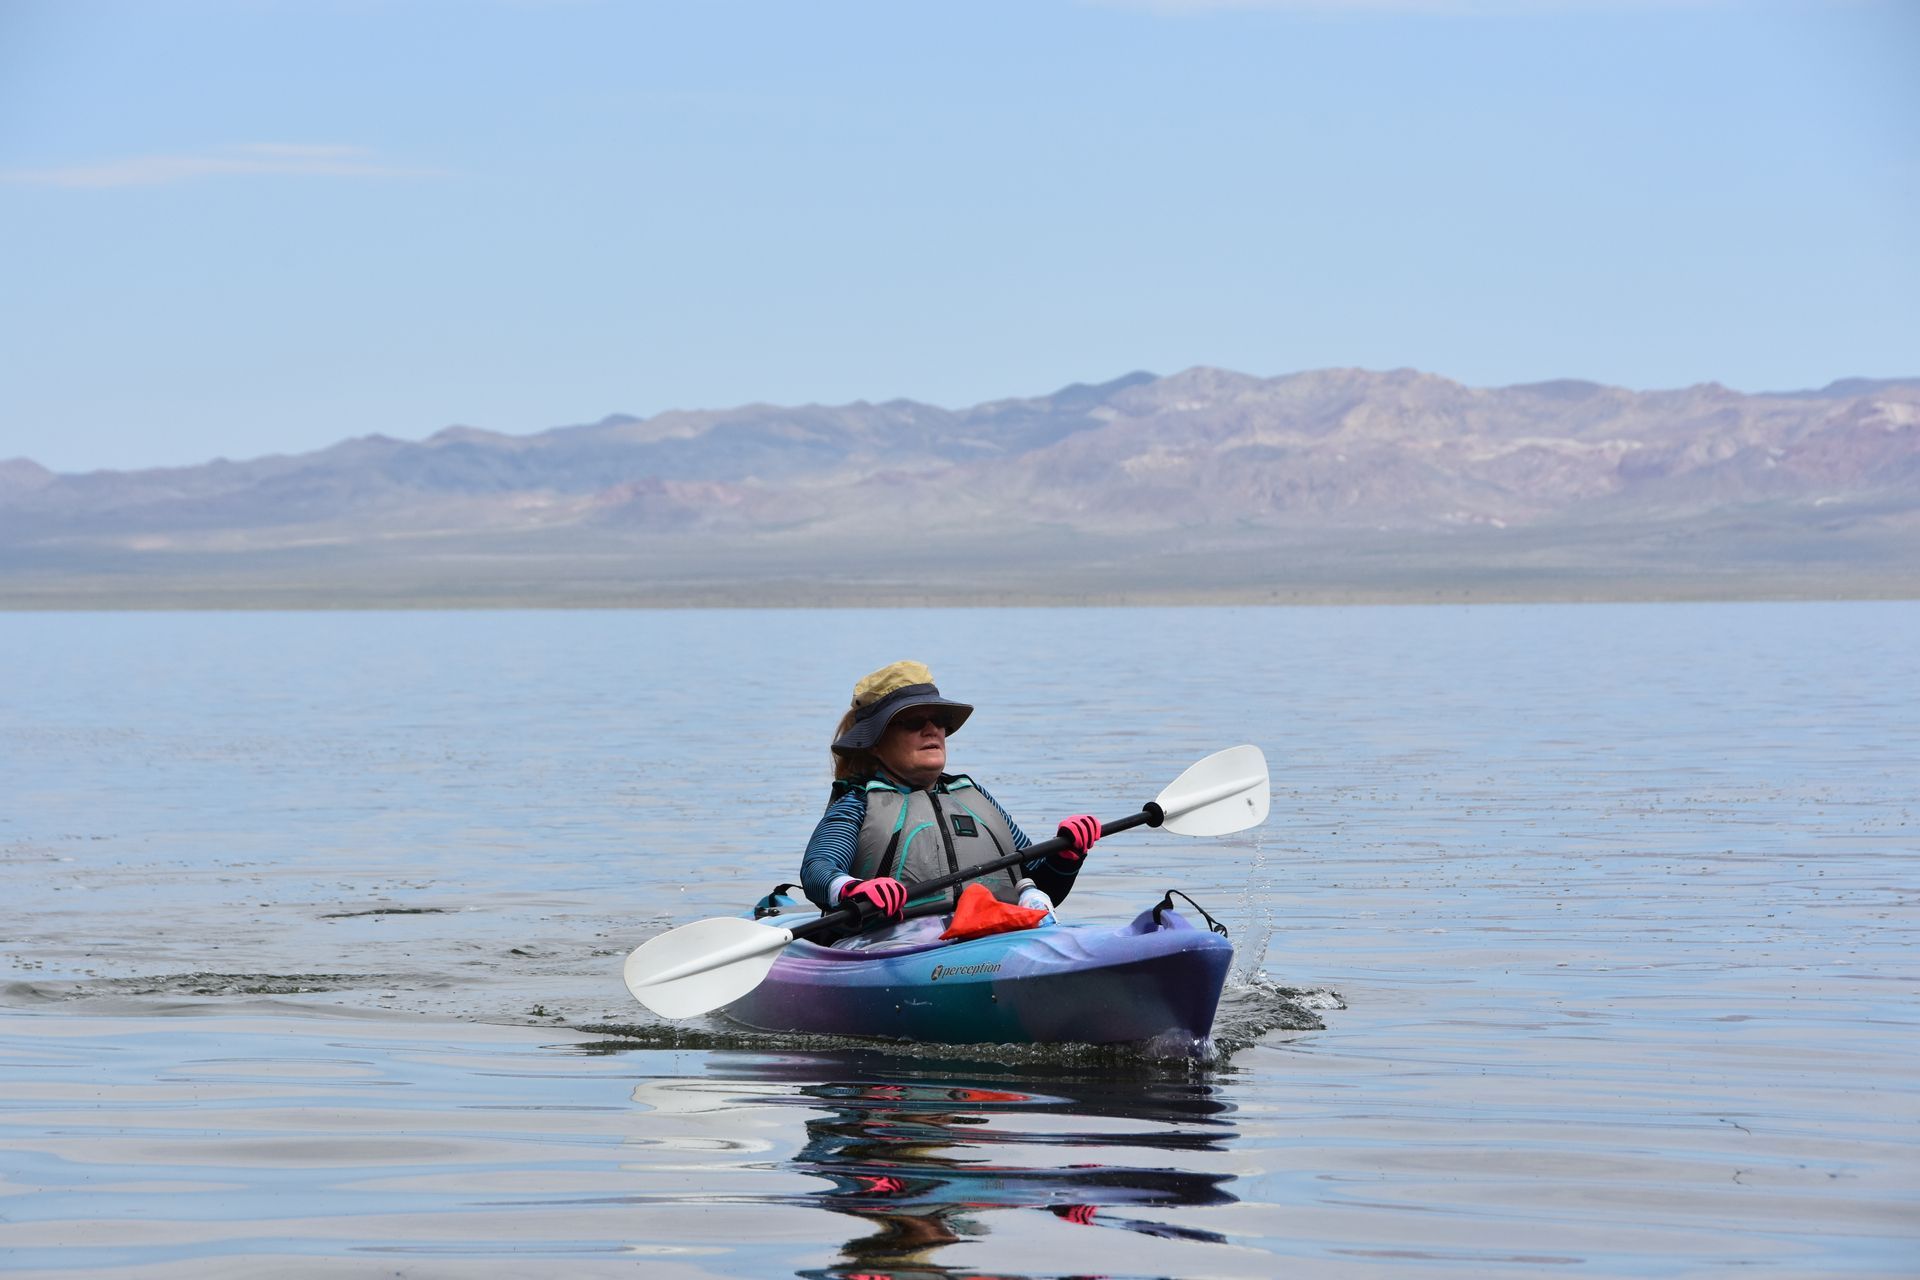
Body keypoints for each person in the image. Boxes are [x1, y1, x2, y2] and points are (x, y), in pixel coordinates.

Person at [800, 660, 1102, 926]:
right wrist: (851, 888)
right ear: (875, 742)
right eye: (915, 721)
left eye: (940, 721)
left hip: (991, 936)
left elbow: (1042, 883)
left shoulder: (974, 797)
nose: (932, 730)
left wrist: (1067, 854)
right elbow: (818, 869)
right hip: (891, 945)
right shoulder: (858, 803)